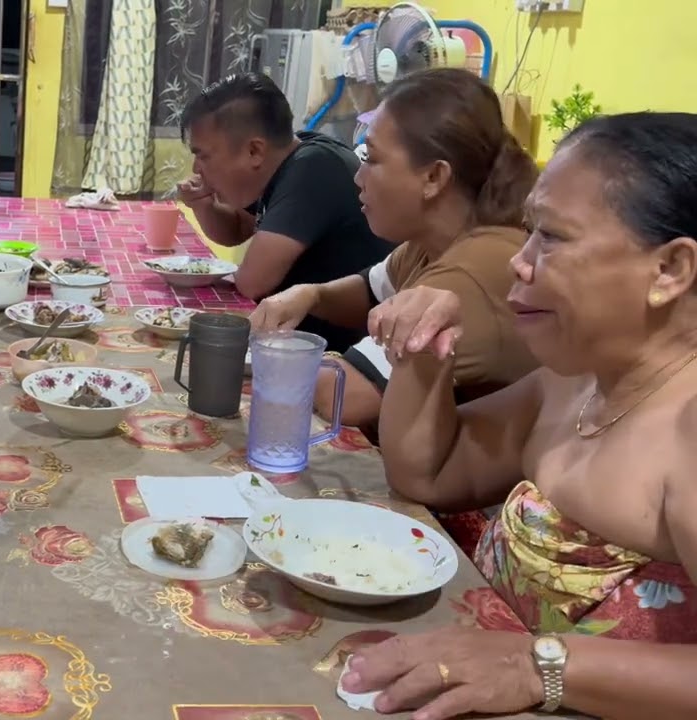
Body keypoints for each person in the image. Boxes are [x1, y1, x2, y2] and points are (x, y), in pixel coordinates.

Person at [341, 112, 697, 720]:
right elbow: (428, 474)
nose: (519, 261)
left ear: (670, 270)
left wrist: (536, 666)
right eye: (529, 231)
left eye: (551, 237)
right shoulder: (572, 384)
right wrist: (424, 350)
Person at [249, 69, 539, 430]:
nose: (359, 177)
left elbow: (343, 397)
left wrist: (269, 355)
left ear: (434, 177)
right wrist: (310, 295)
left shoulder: (472, 271)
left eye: (371, 159)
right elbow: (370, 290)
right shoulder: (432, 240)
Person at [177, 72, 390, 351]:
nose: (196, 168)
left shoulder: (315, 168)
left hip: (335, 355)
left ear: (254, 151)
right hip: (298, 342)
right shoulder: (290, 156)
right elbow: (237, 229)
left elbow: (252, 282)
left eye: (203, 155)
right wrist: (203, 203)